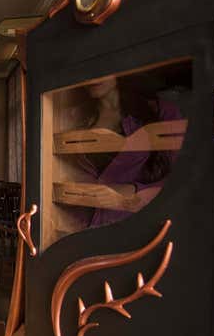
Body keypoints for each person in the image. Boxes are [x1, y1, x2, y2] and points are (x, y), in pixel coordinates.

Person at [76, 75, 181, 228]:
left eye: (103, 66)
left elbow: (181, 179)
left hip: (141, 228)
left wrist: (131, 192)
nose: (92, 78)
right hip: (85, 231)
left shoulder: (160, 111)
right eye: (85, 72)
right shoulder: (74, 118)